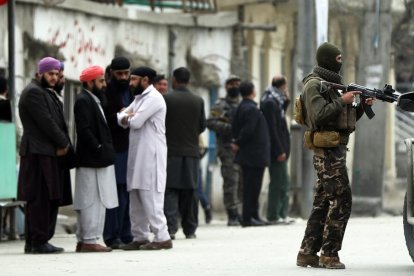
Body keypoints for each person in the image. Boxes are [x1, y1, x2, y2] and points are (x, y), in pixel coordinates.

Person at [296, 42, 374, 269]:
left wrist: (359, 107)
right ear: (328, 60)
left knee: (322, 202)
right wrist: (343, 100)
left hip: (335, 149)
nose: (341, 63)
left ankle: (308, 252)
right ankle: (329, 254)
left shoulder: (332, 85)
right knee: (342, 200)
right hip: (326, 152)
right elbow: (319, 116)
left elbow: (340, 122)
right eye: (338, 59)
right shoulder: (314, 85)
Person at [17, 57, 73, 253]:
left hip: (46, 152)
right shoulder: (33, 93)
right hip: (37, 152)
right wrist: (64, 142)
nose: (54, 78)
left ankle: (34, 242)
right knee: (40, 198)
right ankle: (38, 241)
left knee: (45, 197)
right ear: (39, 73)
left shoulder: (44, 92)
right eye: (50, 74)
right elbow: (47, 122)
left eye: (56, 74)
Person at [117, 66, 172, 250]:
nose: (130, 82)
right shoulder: (139, 98)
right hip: (137, 155)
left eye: (133, 79)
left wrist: (127, 117)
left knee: (150, 196)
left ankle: (162, 236)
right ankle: (140, 236)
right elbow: (120, 117)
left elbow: (135, 122)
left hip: (151, 157)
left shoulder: (154, 98)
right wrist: (126, 116)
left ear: (145, 80)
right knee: (136, 196)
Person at [73, 65, 118, 253]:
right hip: (92, 159)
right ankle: (89, 240)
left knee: (99, 199)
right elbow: (84, 130)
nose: (105, 84)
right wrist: (98, 148)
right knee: (91, 200)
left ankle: (87, 240)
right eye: (101, 81)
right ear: (90, 82)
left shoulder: (94, 99)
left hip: (97, 159)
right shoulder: (84, 100)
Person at [163, 67, 206, 239]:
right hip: (191, 152)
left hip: (170, 151)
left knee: (170, 190)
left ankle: (171, 228)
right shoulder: (198, 100)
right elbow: (202, 126)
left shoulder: (166, 99)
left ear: (174, 80)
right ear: (189, 81)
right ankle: (190, 229)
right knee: (190, 191)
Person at [102, 57, 134, 249]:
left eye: (126, 73)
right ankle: (112, 236)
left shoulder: (132, 91)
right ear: (112, 73)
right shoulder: (106, 93)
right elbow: (103, 119)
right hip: (116, 149)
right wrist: (119, 116)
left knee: (129, 193)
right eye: (119, 74)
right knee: (116, 194)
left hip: (132, 149)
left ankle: (126, 234)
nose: (123, 77)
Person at [231, 81, 270, 227]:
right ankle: (249, 216)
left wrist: (237, 142)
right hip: (254, 154)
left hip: (249, 154)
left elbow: (235, 128)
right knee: (252, 187)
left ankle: (253, 215)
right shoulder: (251, 109)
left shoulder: (242, 107)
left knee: (250, 186)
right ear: (252, 92)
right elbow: (248, 130)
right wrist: (238, 142)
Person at [206, 75, 242, 226]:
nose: (234, 86)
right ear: (226, 87)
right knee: (230, 180)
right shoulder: (220, 104)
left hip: (242, 148)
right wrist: (229, 128)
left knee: (242, 181)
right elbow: (210, 122)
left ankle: (240, 212)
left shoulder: (243, 103)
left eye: (237, 84)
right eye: (231, 84)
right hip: (227, 148)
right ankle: (232, 213)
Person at [260, 75, 294, 225]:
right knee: (279, 182)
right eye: (285, 87)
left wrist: (286, 101)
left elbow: (279, 120)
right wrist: (280, 150)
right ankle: (274, 214)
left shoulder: (276, 101)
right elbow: (273, 129)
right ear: (282, 86)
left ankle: (281, 213)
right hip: (276, 151)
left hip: (280, 149)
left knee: (283, 182)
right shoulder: (270, 102)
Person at [197, 135, 212, 224]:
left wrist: (199, 157)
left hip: (195, 162)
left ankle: (207, 209)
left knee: (198, 191)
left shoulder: (197, 133)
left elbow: (205, 147)